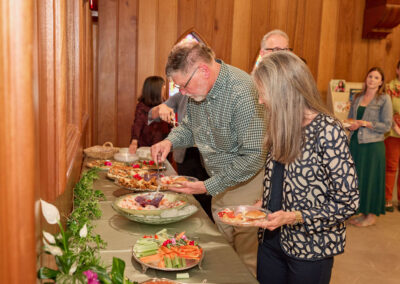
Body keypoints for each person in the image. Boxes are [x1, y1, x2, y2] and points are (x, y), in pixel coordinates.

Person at [151, 41, 266, 275]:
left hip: (248, 185)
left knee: (245, 260)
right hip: (220, 182)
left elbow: (253, 156)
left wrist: (207, 186)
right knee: (223, 253)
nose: (182, 93)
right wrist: (169, 141)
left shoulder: (242, 91)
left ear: (203, 70)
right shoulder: (199, 91)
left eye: (183, 86)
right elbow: (190, 127)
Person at [252, 51, 359, 284]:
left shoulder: (328, 130)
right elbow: (280, 177)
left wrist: (295, 216)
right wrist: (266, 201)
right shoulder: (281, 122)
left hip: (311, 247)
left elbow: (348, 201)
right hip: (271, 241)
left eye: (263, 93)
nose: (260, 101)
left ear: (284, 92)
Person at [147, 93, 213, 220]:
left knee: (207, 199)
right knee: (187, 195)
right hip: (185, 154)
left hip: (208, 157)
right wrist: (160, 107)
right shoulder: (182, 95)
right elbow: (151, 114)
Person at [347, 67, 392, 226]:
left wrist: (366, 123)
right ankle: (362, 211)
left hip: (373, 146)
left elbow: (387, 125)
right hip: (356, 144)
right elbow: (351, 119)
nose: (372, 80)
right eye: (370, 76)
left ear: (381, 82)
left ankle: (371, 215)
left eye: (376, 78)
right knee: (358, 180)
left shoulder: (384, 99)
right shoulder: (358, 97)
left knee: (372, 180)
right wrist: (351, 124)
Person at [129, 76, 171, 153]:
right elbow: (137, 124)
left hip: (162, 143)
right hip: (146, 145)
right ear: (156, 90)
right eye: (163, 87)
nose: (164, 89)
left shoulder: (165, 103)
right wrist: (134, 142)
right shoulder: (142, 106)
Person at [384, 60, 400, 212]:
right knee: (391, 166)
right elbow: (387, 111)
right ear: (397, 70)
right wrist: (396, 127)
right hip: (393, 132)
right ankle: (387, 198)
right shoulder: (389, 87)